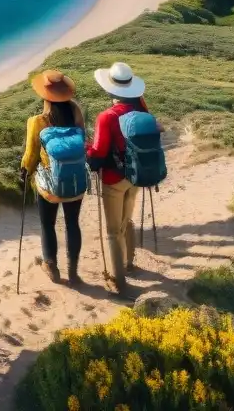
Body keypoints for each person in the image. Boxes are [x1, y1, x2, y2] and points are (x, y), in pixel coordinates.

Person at [87, 61, 151, 297]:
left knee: (113, 231)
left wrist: (87, 150)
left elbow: (99, 151)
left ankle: (118, 279)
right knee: (127, 220)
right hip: (136, 175)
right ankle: (130, 262)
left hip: (113, 178)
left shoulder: (107, 116)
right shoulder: (142, 112)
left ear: (110, 89)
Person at [20, 70, 87, 286]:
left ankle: (51, 266)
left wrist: (25, 173)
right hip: (76, 182)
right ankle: (74, 272)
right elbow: (82, 144)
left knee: (47, 224)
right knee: (72, 224)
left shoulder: (38, 121)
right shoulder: (76, 113)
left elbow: (31, 155)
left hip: (49, 187)